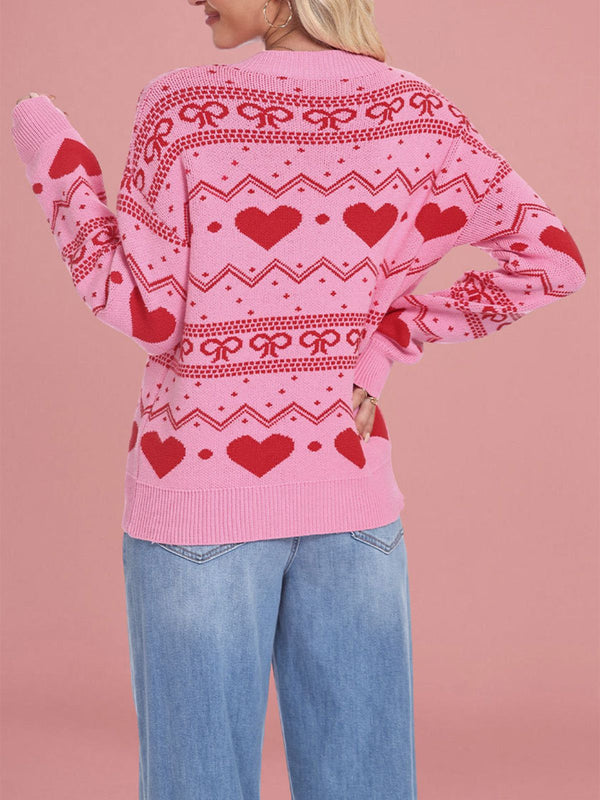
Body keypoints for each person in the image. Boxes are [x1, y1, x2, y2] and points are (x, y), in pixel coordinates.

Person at [11, 0, 586, 798]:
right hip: (350, 499)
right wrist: (382, 347)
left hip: (199, 497)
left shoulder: (182, 106)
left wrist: (48, 145)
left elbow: (143, 311)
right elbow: (551, 259)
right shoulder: (417, 112)